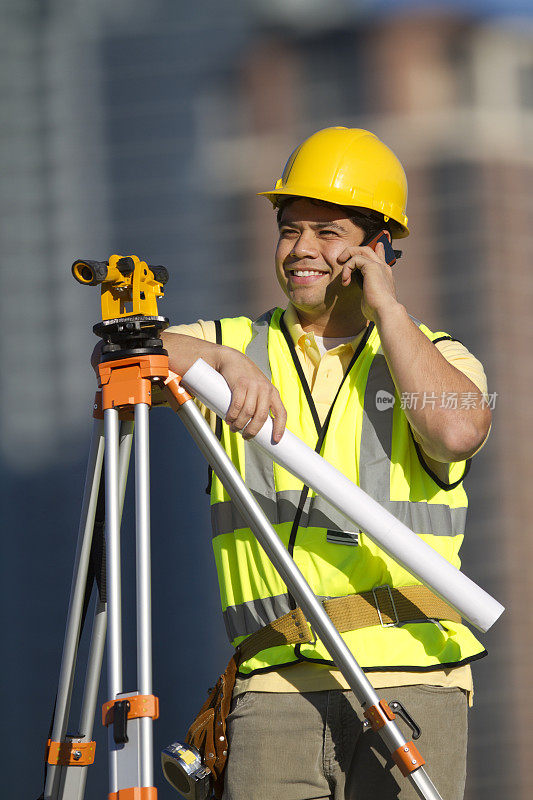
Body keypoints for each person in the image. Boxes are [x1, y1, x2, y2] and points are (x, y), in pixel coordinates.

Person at [161, 127, 492, 800]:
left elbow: (456, 431)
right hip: (271, 685)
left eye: (328, 232)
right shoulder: (231, 345)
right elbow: (123, 356)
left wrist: (386, 309)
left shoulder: (432, 354)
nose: (302, 249)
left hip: (413, 679)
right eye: (290, 230)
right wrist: (223, 365)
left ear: (377, 248)